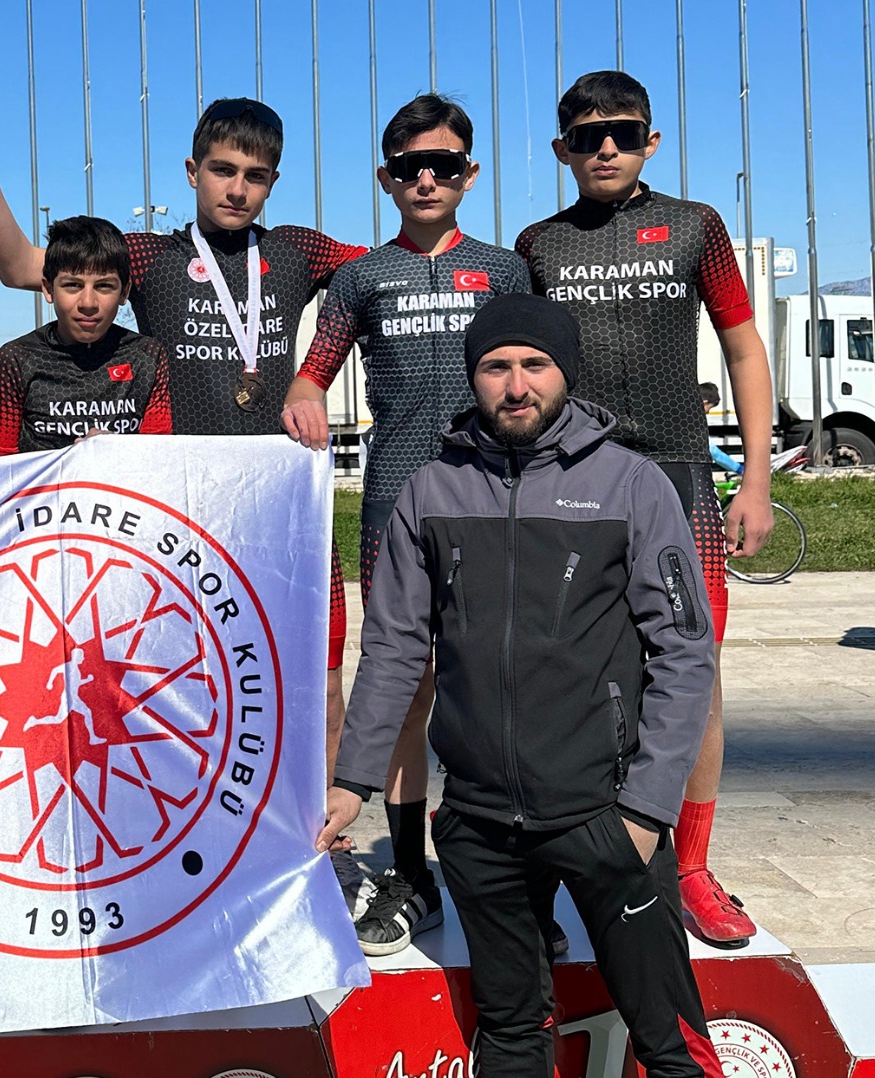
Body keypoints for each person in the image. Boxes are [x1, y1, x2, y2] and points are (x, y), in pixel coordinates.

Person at [0, 90, 366, 801]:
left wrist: (313, 377)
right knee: (189, 690)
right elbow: (20, 266)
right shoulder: (149, 256)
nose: (237, 188)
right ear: (192, 171)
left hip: (281, 503)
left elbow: (379, 278)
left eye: (255, 176)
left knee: (322, 679)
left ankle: (320, 843)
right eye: (222, 170)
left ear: (274, 182)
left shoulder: (297, 250)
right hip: (185, 512)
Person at [320, 294, 724, 1078]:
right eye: (495, 366)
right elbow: (395, 647)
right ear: (472, 377)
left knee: (669, 1044)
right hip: (479, 826)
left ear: (564, 372)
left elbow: (684, 654)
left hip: (605, 815)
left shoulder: (631, 485)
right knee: (511, 1034)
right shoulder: (430, 491)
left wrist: (646, 812)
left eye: (534, 365)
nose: (515, 385)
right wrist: (352, 779)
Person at [514, 70, 774, 947]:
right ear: (562, 149)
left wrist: (757, 480)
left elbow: (743, 349)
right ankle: (560, 861)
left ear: (651, 141)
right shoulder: (539, 243)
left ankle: (690, 868)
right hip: (573, 477)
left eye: (623, 133)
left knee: (694, 675)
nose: (606, 149)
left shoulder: (697, 226)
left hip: (680, 477)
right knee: (565, 675)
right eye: (587, 137)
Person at [284, 93, 531, 955]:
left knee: (504, 682)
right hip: (394, 501)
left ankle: (514, 868)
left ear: (471, 173)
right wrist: (303, 396)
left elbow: (541, 379)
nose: (427, 179)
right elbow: (312, 372)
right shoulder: (362, 278)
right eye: (410, 167)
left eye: (444, 165)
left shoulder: (504, 272)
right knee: (405, 690)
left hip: (494, 499)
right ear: (387, 179)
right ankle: (412, 875)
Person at [0, 215, 172, 454]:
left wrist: (116, 450)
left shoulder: (148, 356)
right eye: (72, 285)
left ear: (125, 292)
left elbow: (159, 456)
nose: (88, 303)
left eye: (104, 286)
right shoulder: (16, 359)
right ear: (48, 289)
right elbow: (0, 464)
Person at [698, 383, 743, 474]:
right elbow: (712, 450)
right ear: (704, 403)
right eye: (709, 408)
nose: (708, 412)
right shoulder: (694, 422)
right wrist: (738, 468)